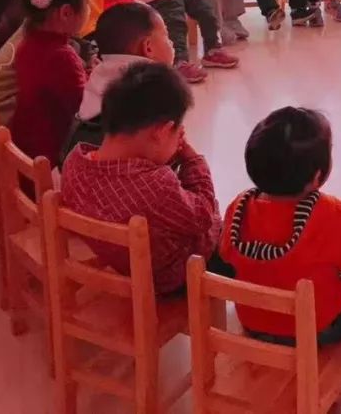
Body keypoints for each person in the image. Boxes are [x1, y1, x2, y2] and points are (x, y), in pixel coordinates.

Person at [61, 61, 222, 295]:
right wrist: (192, 159)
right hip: (170, 279)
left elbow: (132, 187)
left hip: (124, 263)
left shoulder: (74, 163)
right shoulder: (158, 186)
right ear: (161, 132)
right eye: (176, 133)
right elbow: (203, 215)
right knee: (238, 234)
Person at [217, 107, 341, 346]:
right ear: (317, 176)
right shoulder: (333, 215)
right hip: (317, 330)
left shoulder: (239, 208)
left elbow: (226, 256)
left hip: (254, 322)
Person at [62, 2, 176, 161]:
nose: (171, 43)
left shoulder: (100, 72)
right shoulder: (155, 84)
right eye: (166, 36)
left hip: (76, 166)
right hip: (120, 175)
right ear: (148, 47)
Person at [8, 0, 90, 166]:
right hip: (48, 162)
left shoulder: (28, 44)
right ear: (66, 12)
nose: (89, 9)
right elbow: (87, 110)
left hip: (23, 149)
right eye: (87, 2)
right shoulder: (61, 57)